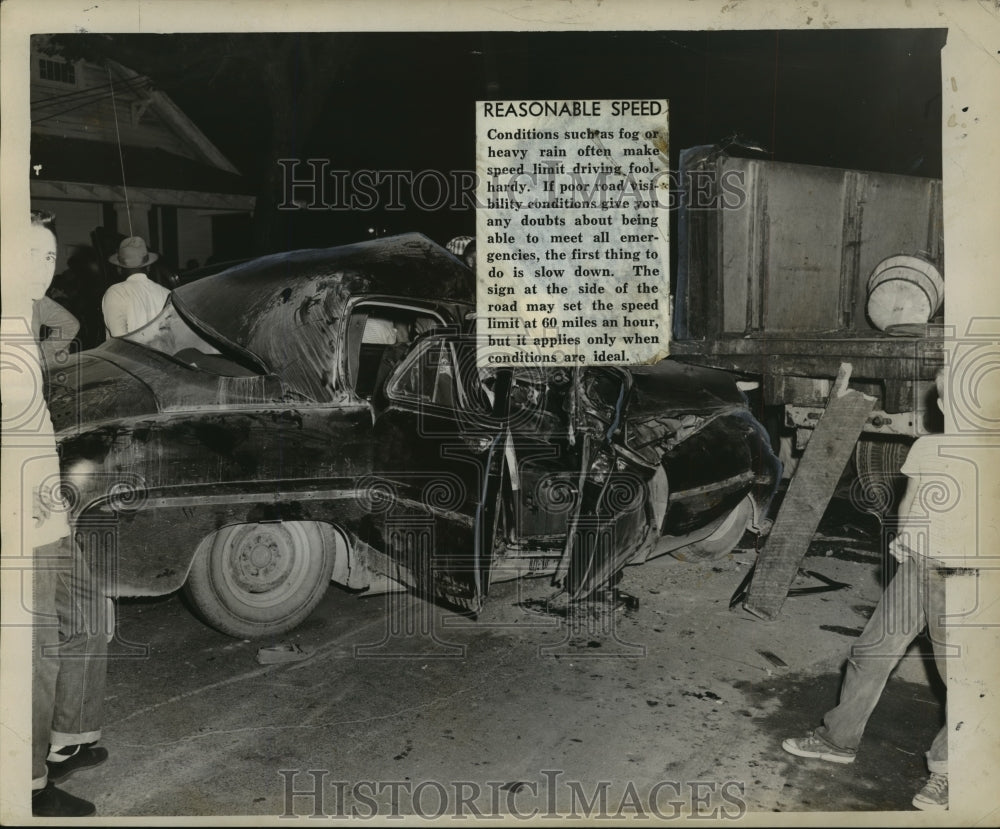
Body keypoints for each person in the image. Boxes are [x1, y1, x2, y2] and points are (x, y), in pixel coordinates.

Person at [782, 369, 956, 811]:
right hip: (916, 569)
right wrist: (905, 536)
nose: (945, 403)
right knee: (870, 653)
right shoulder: (928, 446)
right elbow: (910, 501)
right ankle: (837, 740)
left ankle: (948, 772)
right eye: (942, 395)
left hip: (964, 578)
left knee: (963, 680)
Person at [13, 211, 110, 817]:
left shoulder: (27, 313)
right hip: (21, 516)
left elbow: (66, 323)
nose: (45, 267)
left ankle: (67, 737)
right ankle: (24, 783)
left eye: (51, 256)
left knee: (90, 612)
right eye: (34, 255)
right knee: (35, 647)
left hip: (45, 507)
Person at [101, 236, 170, 337]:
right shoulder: (166, 293)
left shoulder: (116, 292)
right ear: (148, 267)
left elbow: (119, 339)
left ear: (119, 269)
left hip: (127, 353)